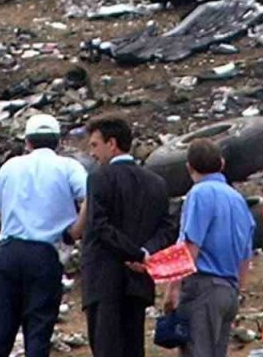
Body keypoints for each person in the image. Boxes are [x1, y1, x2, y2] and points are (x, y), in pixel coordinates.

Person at [0, 114, 88, 357]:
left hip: (9, 253)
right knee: (38, 333)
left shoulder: (9, 167)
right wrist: (74, 232)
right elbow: (90, 198)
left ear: (28, 142)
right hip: (45, 255)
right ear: (58, 142)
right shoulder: (69, 166)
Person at [80, 116, 178, 357]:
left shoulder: (99, 178)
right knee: (133, 347)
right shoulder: (155, 182)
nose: (92, 153)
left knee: (106, 348)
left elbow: (100, 226)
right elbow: (167, 228)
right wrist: (145, 253)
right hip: (138, 282)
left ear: (111, 144)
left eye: (95, 145)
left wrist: (133, 253)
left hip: (104, 280)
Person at [164, 139, 254, 357]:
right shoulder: (237, 199)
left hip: (203, 287)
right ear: (222, 164)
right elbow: (245, 254)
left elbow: (190, 246)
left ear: (189, 167)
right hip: (229, 290)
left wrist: (173, 288)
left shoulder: (199, 193)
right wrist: (237, 291)